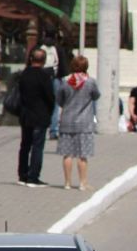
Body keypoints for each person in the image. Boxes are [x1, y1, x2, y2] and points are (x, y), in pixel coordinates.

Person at [54, 55, 99, 191]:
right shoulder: (90, 82)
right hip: (84, 123)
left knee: (67, 154)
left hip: (67, 121)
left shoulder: (65, 81)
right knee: (82, 155)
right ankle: (82, 183)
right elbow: (96, 96)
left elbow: (59, 99)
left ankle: (67, 183)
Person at [15, 47, 55, 187]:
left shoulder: (24, 74)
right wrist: (49, 112)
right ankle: (33, 177)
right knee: (37, 147)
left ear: (31, 59)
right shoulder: (44, 77)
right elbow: (50, 97)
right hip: (40, 116)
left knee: (25, 145)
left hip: (25, 115)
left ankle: (22, 175)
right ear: (43, 61)